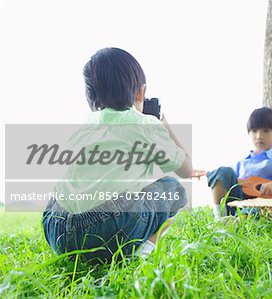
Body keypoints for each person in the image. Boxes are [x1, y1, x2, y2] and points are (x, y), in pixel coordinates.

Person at [42, 47, 192, 263]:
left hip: (56, 228)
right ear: (140, 92)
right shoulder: (146, 124)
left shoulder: (84, 125)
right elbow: (186, 170)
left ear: (91, 97)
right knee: (173, 189)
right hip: (106, 229)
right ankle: (145, 251)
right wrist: (163, 122)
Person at [207, 107, 272, 219]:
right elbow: (226, 179)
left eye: (266, 131)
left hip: (263, 205)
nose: (259, 136)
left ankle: (238, 221)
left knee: (252, 213)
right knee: (223, 171)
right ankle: (219, 217)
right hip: (236, 203)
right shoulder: (242, 162)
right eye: (254, 131)